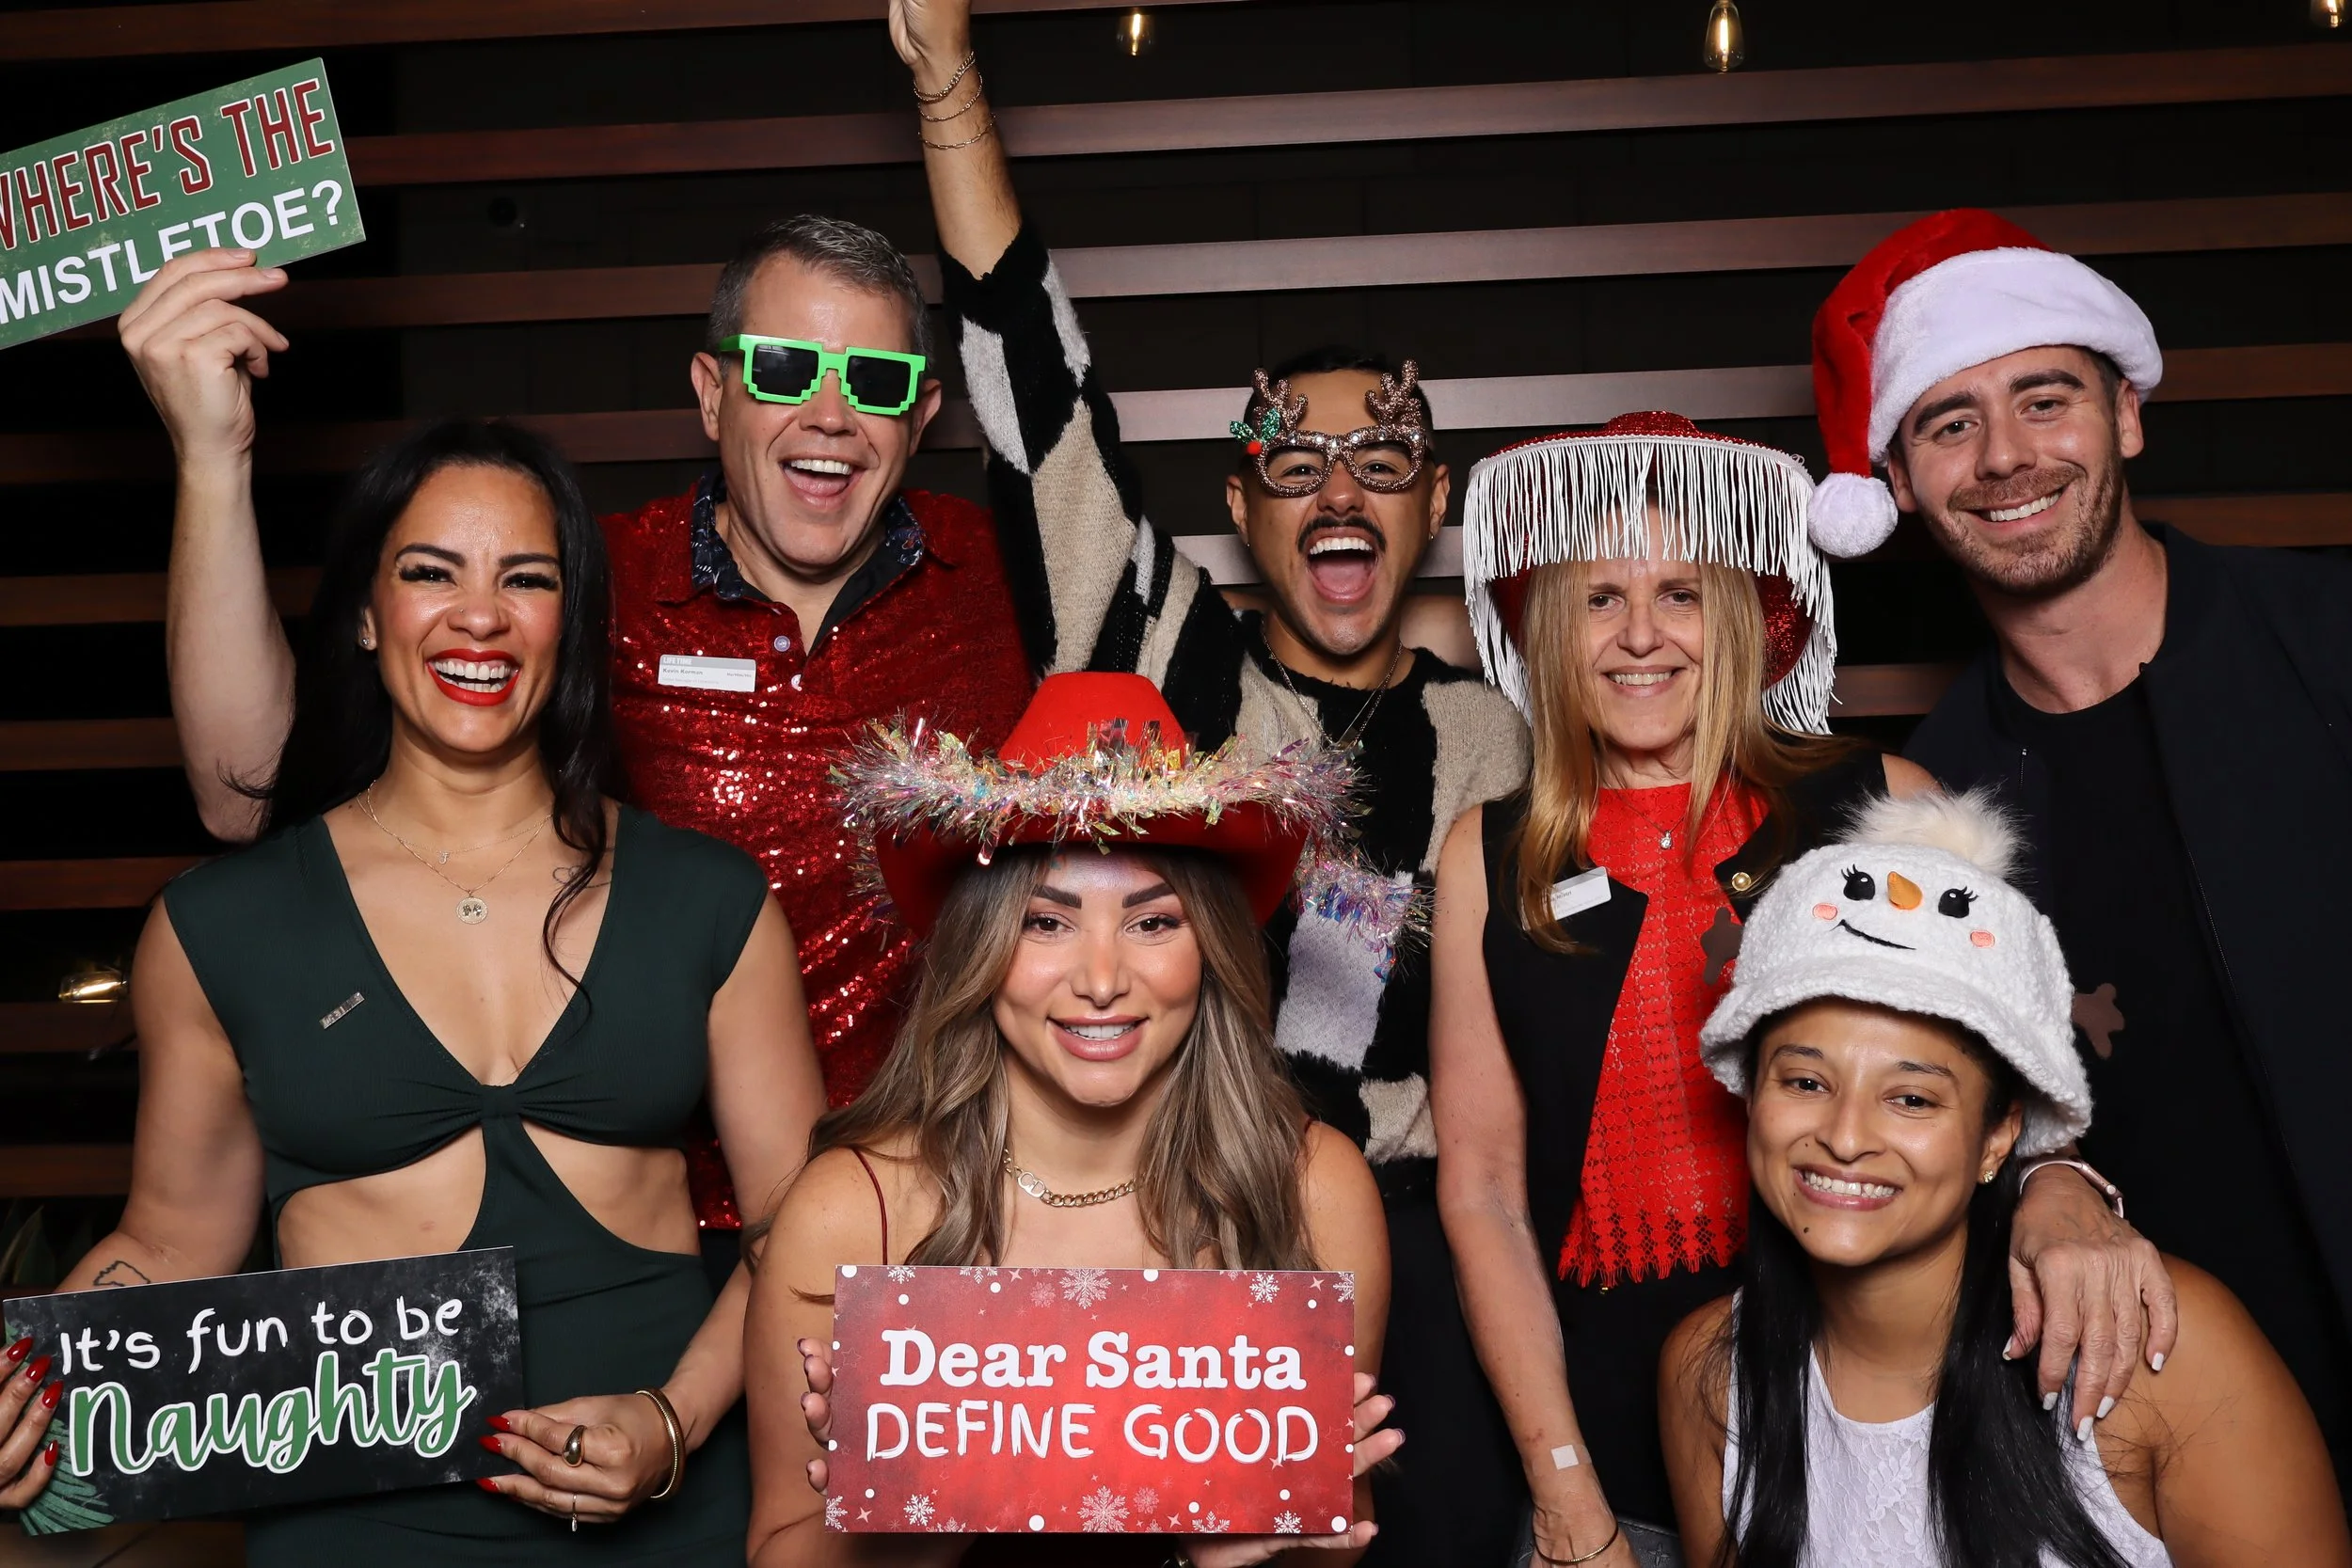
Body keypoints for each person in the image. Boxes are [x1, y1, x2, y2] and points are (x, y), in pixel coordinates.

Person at [885, 1, 1529, 1555]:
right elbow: (1051, 418)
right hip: (1191, 1219)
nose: (1338, 488)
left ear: (1433, 496)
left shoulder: (1506, 740)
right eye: (1292, 464)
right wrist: (949, 86)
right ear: (1243, 503)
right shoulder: (1183, 680)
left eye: (1380, 460)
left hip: (1428, 1268)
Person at [130, 210, 1037, 1239]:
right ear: (711, 393)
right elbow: (247, 789)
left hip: (953, 1221)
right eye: (784, 366)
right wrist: (211, 459)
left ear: (920, 418)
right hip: (657, 1241)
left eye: (871, 381)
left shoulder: (1012, 584)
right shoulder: (586, 583)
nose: (828, 413)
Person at [16, 419, 827, 1562]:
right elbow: (171, 1239)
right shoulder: (223, 924)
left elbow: (802, 1229)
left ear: (571, 620)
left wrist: (671, 1422)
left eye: (526, 578)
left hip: (669, 1511)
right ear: (364, 611)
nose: (479, 615)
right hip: (359, 1528)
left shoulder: (710, 900)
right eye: (429, 571)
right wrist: (20, 1377)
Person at [1430, 413, 2173, 1567]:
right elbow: (1482, 1191)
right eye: (1597, 598)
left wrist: (2061, 1185)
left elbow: (2001, 1080)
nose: (1639, 636)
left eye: (1679, 592)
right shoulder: (1491, 849)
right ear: (1546, 627)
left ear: (1734, 618)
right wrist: (1564, 1490)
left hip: (1883, 1435)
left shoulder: (1879, 798)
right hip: (1608, 1453)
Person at [1805, 207, 2352, 1485]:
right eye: (1949, 423)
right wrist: (2052, 1182)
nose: (2005, 456)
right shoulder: (1928, 806)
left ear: (2127, 412)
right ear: (1897, 483)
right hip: (2186, 1441)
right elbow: (1954, 1108)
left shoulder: (2329, 644)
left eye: (2043, 398)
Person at [739, 671, 1398, 1565]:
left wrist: (1244, 1544)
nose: (1099, 979)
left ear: (1212, 949)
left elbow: (1337, 1540)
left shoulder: (1311, 1188)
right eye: (1046, 923)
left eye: (1153, 922)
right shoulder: (854, 1209)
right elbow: (775, 1549)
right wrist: (922, 1515)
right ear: (981, 948)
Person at [1662, 789, 2349, 1566]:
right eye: (1806, 1082)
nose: (1845, 1137)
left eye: (1912, 1097)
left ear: (2000, 1135)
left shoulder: (2160, 1345)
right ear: (1751, 1095)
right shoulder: (1709, 1373)